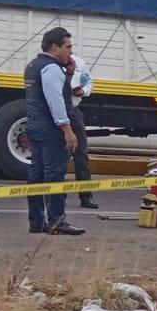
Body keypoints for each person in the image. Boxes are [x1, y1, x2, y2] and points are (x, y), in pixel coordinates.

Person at [24, 27, 84, 236]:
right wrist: (67, 129)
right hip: (50, 128)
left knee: (37, 174)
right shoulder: (51, 68)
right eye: (67, 47)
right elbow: (55, 100)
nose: (71, 52)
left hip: (35, 124)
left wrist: (68, 74)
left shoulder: (33, 66)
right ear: (54, 47)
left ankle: (36, 221)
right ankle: (57, 220)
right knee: (54, 174)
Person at [65, 53, 98, 209]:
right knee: (59, 156)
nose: (70, 51)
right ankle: (56, 195)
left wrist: (82, 91)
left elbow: (89, 82)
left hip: (73, 110)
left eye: (70, 48)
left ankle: (86, 196)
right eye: (67, 47)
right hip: (58, 111)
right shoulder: (53, 65)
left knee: (81, 154)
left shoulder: (78, 62)